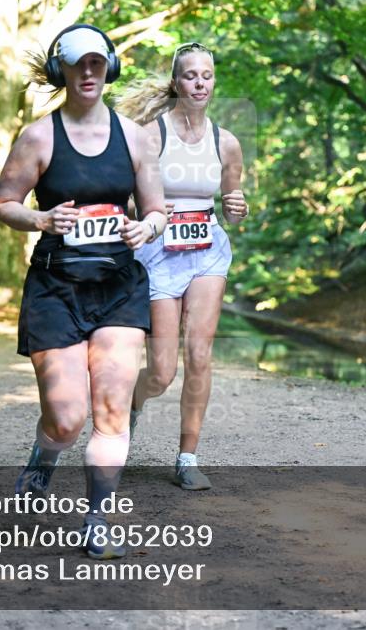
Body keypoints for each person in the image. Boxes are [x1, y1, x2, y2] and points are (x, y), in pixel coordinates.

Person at [0, 24, 166, 560]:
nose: (88, 72)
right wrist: (41, 217)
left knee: (112, 409)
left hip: (117, 288)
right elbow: (3, 203)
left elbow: (157, 211)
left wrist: (147, 228)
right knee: (67, 418)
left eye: (97, 63)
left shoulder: (135, 138)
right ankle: (43, 459)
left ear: (109, 68)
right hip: (55, 290)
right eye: (77, 64)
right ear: (61, 71)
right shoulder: (39, 137)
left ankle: (97, 518)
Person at [117, 42, 248, 491]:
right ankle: (132, 404)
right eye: (190, 75)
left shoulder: (225, 142)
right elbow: (128, 198)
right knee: (161, 372)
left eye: (207, 76)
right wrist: (147, 211)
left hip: (208, 250)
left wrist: (237, 207)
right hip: (157, 252)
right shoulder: (151, 136)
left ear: (214, 82)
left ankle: (187, 456)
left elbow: (231, 206)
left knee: (199, 354)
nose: (199, 82)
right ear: (177, 82)